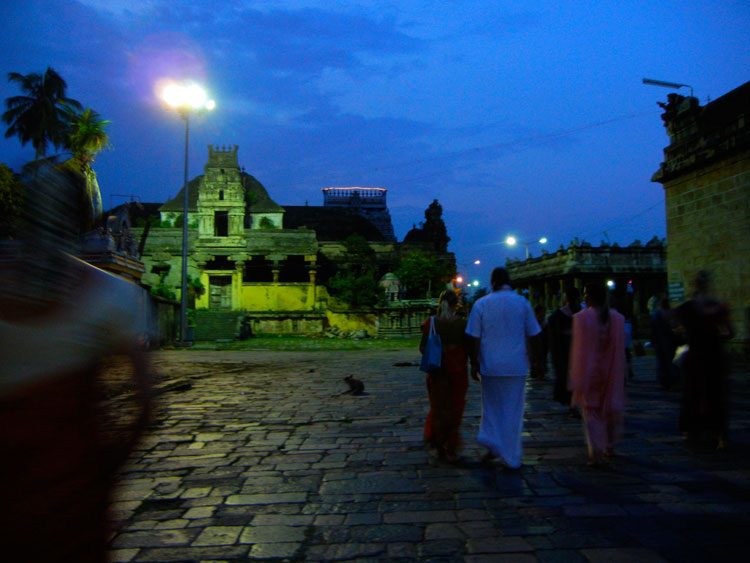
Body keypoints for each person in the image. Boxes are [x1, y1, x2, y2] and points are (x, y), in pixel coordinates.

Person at [0, 164, 152, 562]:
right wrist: (106, 469)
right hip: (72, 474)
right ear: (84, 223)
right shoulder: (114, 295)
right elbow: (147, 404)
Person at [466, 267, 541, 469]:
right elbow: (534, 334)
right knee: (513, 411)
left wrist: (474, 362)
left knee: (491, 408)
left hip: (490, 364)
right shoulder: (522, 303)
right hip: (516, 364)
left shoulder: (481, 304)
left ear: (492, 283)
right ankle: (510, 456)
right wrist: (534, 361)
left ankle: (493, 443)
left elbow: (473, 336)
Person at [673, 270, 734, 449]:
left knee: (693, 393)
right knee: (716, 394)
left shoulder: (686, 308)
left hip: (695, 355)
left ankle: (692, 430)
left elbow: (678, 330)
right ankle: (719, 433)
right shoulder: (718, 306)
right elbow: (730, 332)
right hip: (714, 355)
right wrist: (716, 338)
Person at [569, 282, 627, 466]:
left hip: (590, 372)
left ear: (591, 297)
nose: (584, 297)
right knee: (609, 410)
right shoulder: (617, 318)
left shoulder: (582, 318)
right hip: (611, 372)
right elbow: (621, 350)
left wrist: (576, 380)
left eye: (586, 294)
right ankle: (609, 445)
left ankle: (594, 451)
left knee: (591, 413)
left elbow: (579, 351)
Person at [419, 290, 471, 463]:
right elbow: (469, 348)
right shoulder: (463, 324)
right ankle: (451, 446)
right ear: (456, 305)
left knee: (439, 408)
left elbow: (422, 348)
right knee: (455, 409)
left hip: (437, 372)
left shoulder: (431, 322)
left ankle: (437, 443)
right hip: (457, 372)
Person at [547, 286, 581, 415]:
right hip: (578, 352)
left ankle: (572, 402)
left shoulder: (557, 316)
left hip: (564, 352)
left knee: (566, 378)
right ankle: (575, 403)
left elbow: (553, 337)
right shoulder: (582, 313)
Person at [650, 297, 679, 390]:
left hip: (660, 341)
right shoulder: (671, 313)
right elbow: (675, 326)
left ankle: (665, 380)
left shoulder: (656, 315)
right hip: (669, 340)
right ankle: (671, 379)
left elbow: (653, 330)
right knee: (670, 361)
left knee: (662, 362)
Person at [528, 304, 548, 380]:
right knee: (535, 357)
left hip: (542, 342)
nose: (542, 315)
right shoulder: (534, 321)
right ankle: (537, 371)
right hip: (535, 342)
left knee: (541, 357)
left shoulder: (545, 321)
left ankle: (540, 371)